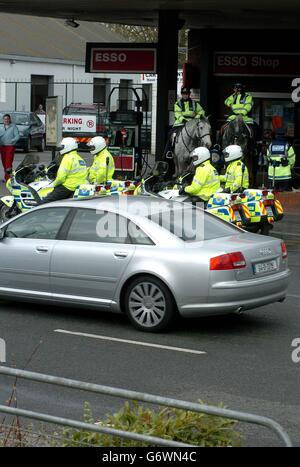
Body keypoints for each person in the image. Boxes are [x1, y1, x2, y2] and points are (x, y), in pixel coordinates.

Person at [39, 137, 88, 204]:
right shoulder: (80, 159)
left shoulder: (67, 158)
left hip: (67, 187)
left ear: (68, 146)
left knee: (43, 203)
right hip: (77, 187)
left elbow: (61, 177)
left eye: (63, 146)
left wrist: (53, 184)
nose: (61, 148)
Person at [164, 86, 205, 158]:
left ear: (189, 94)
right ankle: (169, 151)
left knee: (201, 133)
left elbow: (201, 111)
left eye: (186, 94)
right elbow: (177, 114)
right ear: (181, 94)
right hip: (180, 123)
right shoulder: (177, 103)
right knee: (171, 134)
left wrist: (196, 118)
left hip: (192, 123)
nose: (185, 95)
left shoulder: (195, 103)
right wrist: (183, 120)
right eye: (184, 94)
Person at [0, 114, 20, 182]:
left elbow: (17, 137)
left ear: (10, 119)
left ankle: (8, 178)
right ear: (3, 120)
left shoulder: (13, 127)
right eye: (5, 119)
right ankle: (7, 177)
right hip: (2, 147)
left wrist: (11, 141)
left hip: (10, 147)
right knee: (4, 162)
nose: (6, 120)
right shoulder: (1, 127)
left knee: (8, 162)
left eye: (7, 119)